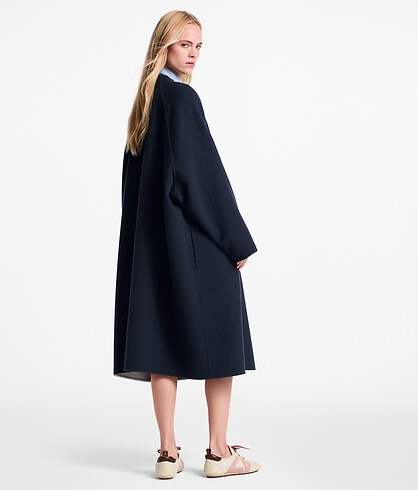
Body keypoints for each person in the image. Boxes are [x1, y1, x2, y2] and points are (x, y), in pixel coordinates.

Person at [113, 10, 261, 479]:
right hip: (194, 241)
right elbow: (201, 179)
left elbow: (133, 190)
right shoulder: (181, 99)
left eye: (199, 46)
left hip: (156, 248)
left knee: (162, 340)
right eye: (184, 44)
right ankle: (218, 453)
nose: (194, 54)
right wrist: (235, 240)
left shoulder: (144, 104)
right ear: (164, 46)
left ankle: (167, 452)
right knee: (223, 337)